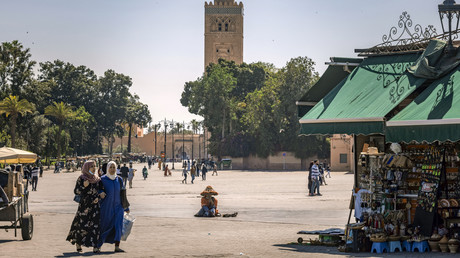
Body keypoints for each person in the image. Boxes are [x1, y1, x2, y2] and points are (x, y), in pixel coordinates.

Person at [66, 160, 105, 253]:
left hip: (95, 206)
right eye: (91, 166)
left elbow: (101, 190)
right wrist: (84, 186)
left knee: (95, 225)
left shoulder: (97, 179)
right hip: (84, 206)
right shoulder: (82, 178)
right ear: (87, 167)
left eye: (95, 166)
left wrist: (100, 196)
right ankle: (78, 243)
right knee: (82, 225)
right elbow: (76, 191)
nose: (94, 168)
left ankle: (95, 246)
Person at [98, 161, 129, 253]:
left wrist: (126, 207)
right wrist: (100, 192)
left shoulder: (119, 179)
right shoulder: (102, 179)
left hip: (118, 207)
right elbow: (98, 189)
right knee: (105, 225)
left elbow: (123, 194)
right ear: (107, 168)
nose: (112, 169)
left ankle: (117, 246)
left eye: (113, 167)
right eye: (110, 167)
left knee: (118, 226)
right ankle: (98, 245)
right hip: (106, 207)